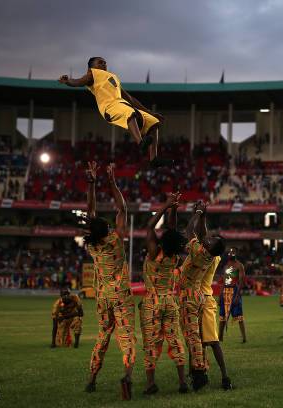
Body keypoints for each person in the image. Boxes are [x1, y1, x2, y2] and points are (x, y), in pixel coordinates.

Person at [83, 161, 137, 400]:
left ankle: (92, 379)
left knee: (102, 337)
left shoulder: (92, 245)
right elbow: (122, 210)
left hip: (103, 296)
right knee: (126, 336)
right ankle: (127, 376)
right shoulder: (116, 240)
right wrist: (112, 181)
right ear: (107, 229)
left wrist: (92, 184)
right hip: (121, 295)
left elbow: (90, 214)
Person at [58, 57, 170, 168]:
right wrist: (68, 80)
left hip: (121, 103)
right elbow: (78, 82)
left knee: (154, 123)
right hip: (109, 107)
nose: (104, 64)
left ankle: (153, 159)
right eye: (100, 62)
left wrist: (149, 112)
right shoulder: (92, 74)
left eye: (105, 62)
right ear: (91, 68)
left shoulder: (113, 77)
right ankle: (140, 143)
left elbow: (130, 98)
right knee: (129, 113)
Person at [139, 193, 188, 395]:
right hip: (170, 301)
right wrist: (174, 209)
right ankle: (182, 382)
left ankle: (151, 384)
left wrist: (165, 205)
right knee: (174, 340)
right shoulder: (174, 254)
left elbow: (150, 227)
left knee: (151, 342)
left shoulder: (154, 253)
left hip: (152, 302)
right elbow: (172, 231)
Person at [178, 201, 226, 391]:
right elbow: (203, 235)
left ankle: (200, 374)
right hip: (198, 295)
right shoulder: (212, 254)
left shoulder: (199, 252)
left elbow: (189, 231)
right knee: (196, 337)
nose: (209, 238)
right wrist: (204, 216)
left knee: (198, 338)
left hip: (193, 296)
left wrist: (197, 212)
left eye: (212, 239)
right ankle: (198, 371)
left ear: (209, 246)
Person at [199, 250, 233, 390]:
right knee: (197, 342)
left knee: (213, 341)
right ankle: (200, 375)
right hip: (195, 300)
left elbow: (230, 279)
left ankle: (225, 377)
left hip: (206, 299)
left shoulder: (212, 257)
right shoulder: (208, 255)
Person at [218, 247, 246, 343]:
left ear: (236, 254)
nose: (231, 254)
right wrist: (220, 295)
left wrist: (238, 296)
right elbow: (223, 282)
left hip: (234, 291)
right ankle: (219, 337)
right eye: (230, 252)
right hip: (225, 291)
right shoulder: (225, 266)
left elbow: (242, 282)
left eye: (233, 252)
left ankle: (244, 338)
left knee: (239, 316)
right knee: (222, 316)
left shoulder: (239, 266)